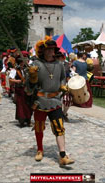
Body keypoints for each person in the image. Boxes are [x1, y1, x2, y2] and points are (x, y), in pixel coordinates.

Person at [26, 36, 75, 165]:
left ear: (54, 51)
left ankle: (63, 155)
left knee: (59, 128)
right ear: (43, 50)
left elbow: (62, 78)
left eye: (52, 49)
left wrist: (63, 86)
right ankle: (40, 150)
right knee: (39, 127)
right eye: (47, 49)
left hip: (55, 101)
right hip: (40, 101)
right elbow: (29, 87)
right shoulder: (36, 64)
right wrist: (32, 76)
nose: (50, 52)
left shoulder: (59, 65)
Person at [9, 53, 32, 127]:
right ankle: (21, 120)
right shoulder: (15, 70)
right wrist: (16, 81)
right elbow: (10, 80)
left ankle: (28, 120)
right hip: (19, 90)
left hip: (27, 90)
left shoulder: (28, 69)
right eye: (22, 61)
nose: (24, 63)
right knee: (21, 105)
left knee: (28, 105)